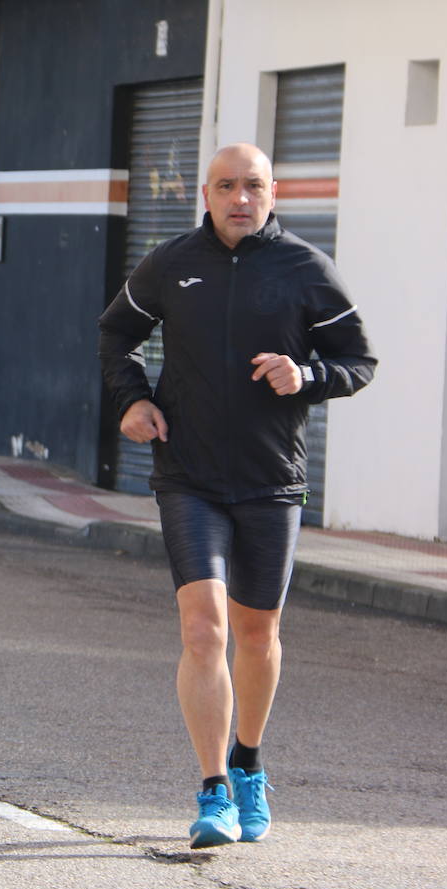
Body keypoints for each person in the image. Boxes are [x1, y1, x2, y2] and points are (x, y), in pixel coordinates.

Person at [97, 143, 377, 849]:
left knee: (257, 635)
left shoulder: (306, 270)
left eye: (252, 185)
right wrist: (132, 401)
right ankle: (213, 787)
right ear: (207, 194)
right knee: (203, 629)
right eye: (227, 186)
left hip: (271, 482)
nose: (240, 198)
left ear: (272, 192)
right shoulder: (170, 263)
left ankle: (249, 760)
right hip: (187, 475)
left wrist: (306, 375)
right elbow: (116, 335)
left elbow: (359, 361)